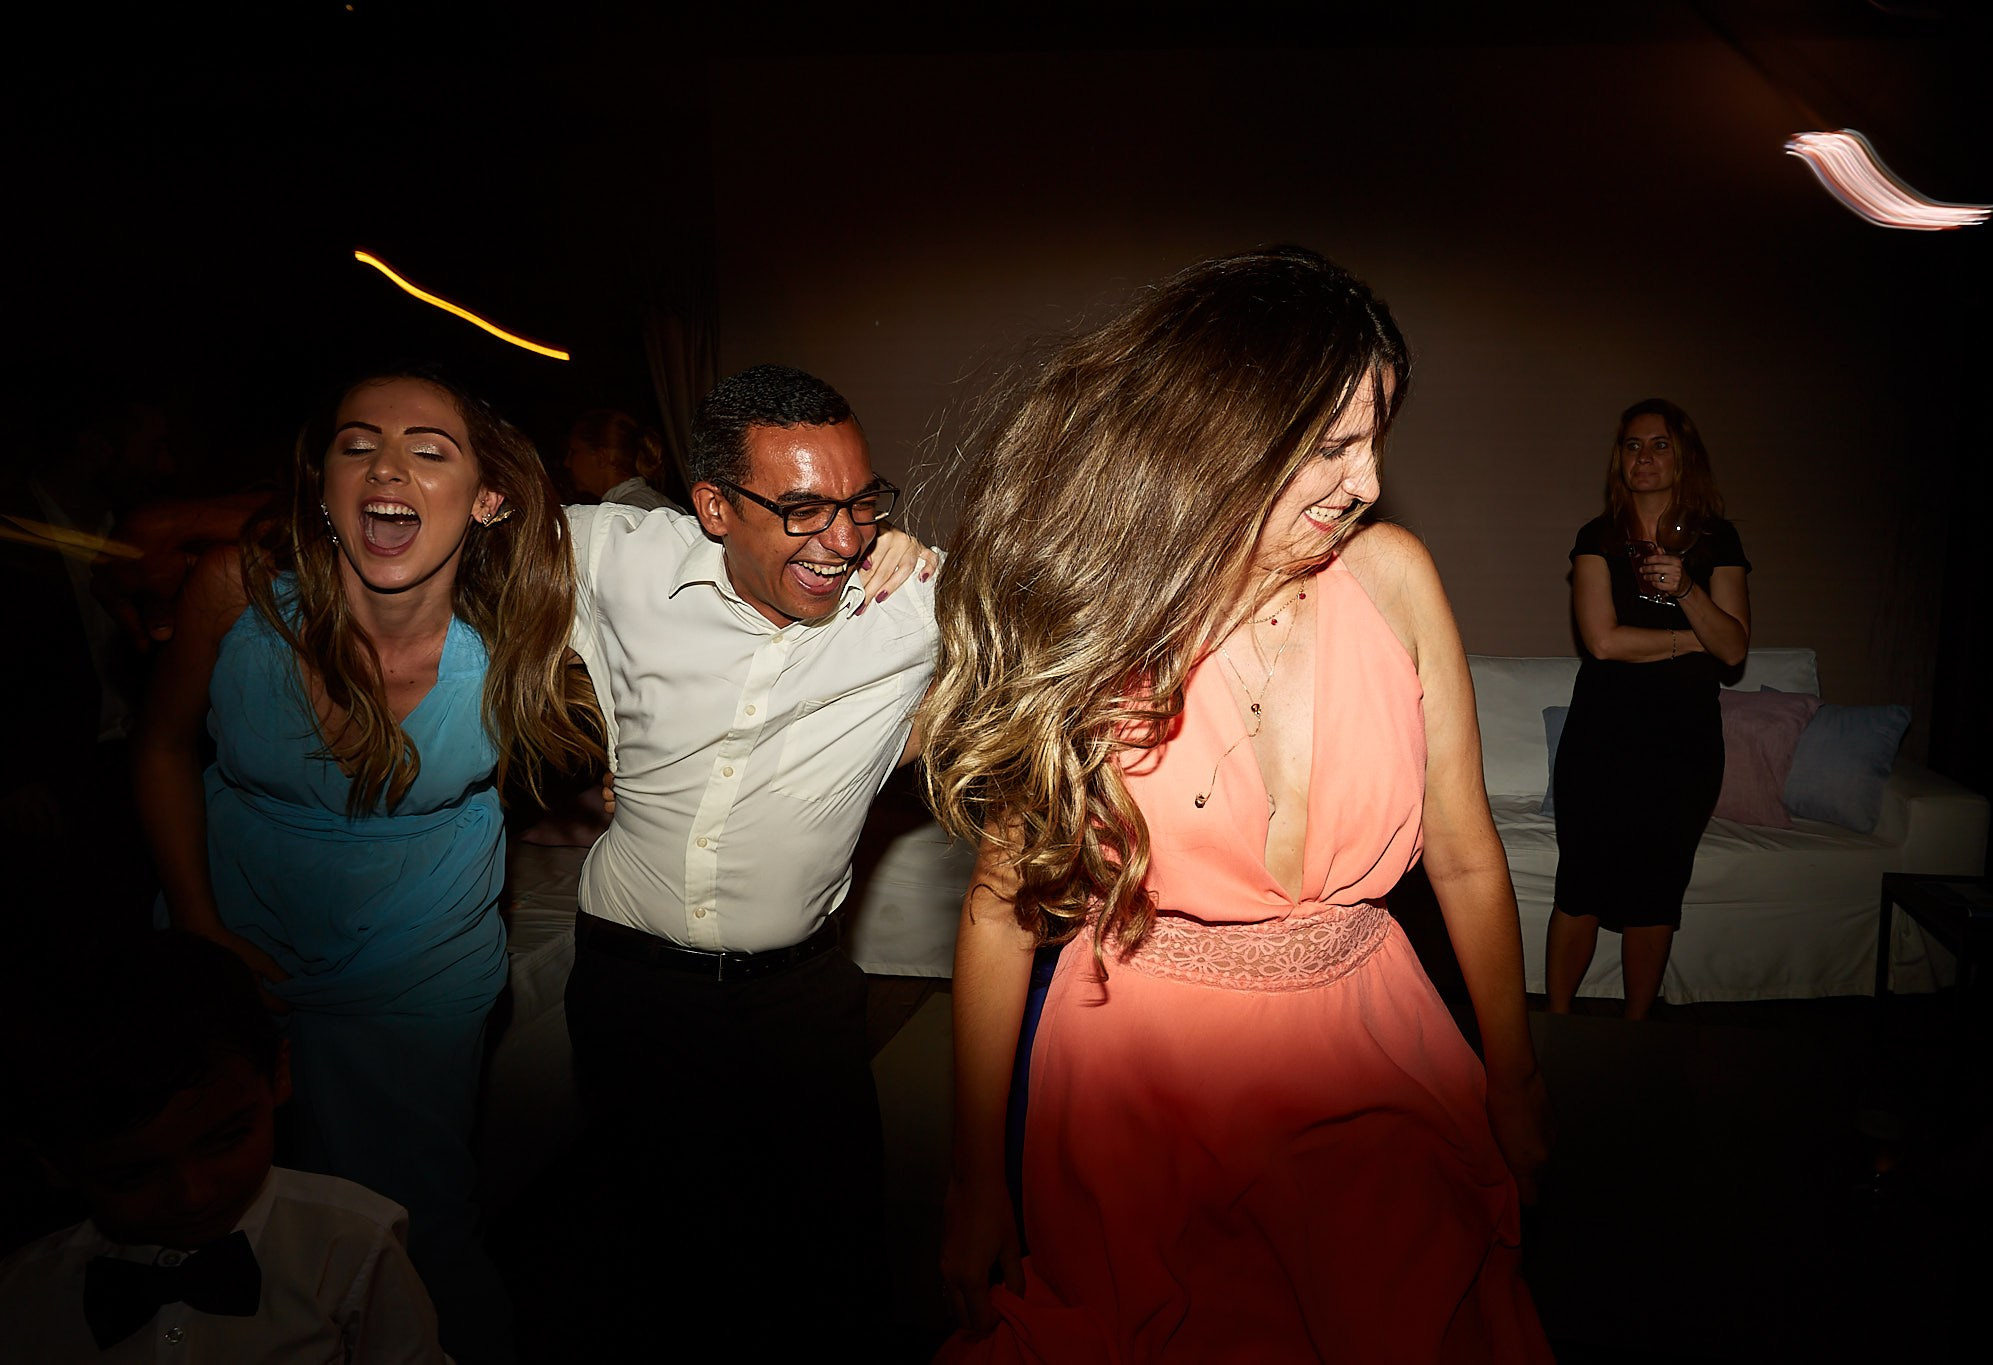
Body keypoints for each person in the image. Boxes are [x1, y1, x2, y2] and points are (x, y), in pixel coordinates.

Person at [925, 247, 1552, 1362]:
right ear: (1220, 434)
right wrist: (977, 1178)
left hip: (1373, 1049)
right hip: (1137, 1078)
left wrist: (1510, 1075)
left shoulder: (1392, 578)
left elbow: (1461, 857)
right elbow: (996, 910)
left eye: (1375, 440)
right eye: (1330, 445)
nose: (1364, 481)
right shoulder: (1093, 619)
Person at [129, 366, 603, 1360]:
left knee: (416, 1219)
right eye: (358, 445)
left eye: (429, 450)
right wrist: (203, 927)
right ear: (324, 484)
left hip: (415, 974)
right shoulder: (233, 595)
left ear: (486, 498)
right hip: (228, 952)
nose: (387, 465)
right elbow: (163, 748)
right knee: (188, 1217)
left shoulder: (524, 636)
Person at [561, 363, 937, 1353]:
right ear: (713, 507)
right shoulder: (614, 553)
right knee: (650, 1266)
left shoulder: (906, 606)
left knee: (833, 1268)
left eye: (861, 505)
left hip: (797, 1006)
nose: (844, 540)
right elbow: (439, 538)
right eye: (805, 509)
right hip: (628, 995)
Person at [0, 931, 444, 1363]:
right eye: (132, 1174)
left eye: (224, 1140)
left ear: (278, 1076)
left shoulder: (348, 1246)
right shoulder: (24, 1292)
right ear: (54, 1164)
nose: (194, 1194)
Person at [1544, 399, 1751, 1020]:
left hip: (1682, 743)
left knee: (1655, 894)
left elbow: (1735, 646)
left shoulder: (1719, 540)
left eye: (1659, 445)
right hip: (1603, 737)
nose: (1644, 457)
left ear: (1682, 456)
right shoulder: (1598, 538)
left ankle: (1637, 1039)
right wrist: (1692, 641)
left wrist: (1686, 588)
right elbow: (1603, 640)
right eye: (1633, 445)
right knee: (1579, 888)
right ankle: (1556, 1033)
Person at [559, 406, 681, 511]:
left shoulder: (624, 515)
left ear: (601, 457)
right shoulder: (656, 504)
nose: (566, 463)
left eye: (573, 452)